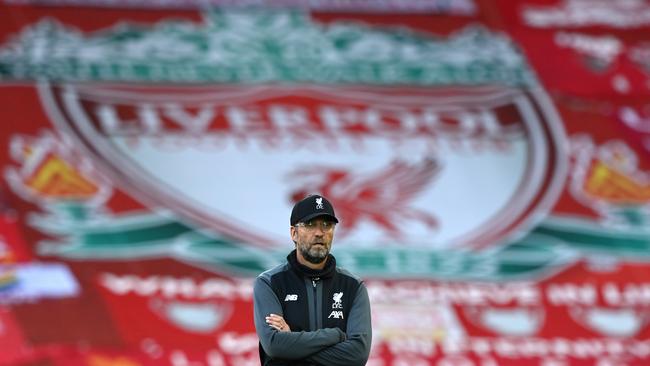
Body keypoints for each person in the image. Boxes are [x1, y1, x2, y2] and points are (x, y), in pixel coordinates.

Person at [253, 194, 372, 365]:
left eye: (326, 225)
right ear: (294, 233)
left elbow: (357, 355)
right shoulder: (270, 282)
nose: (319, 233)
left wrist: (291, 346)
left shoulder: (353, 286)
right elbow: (274, 346)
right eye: (310, 225)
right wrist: (335, 335)